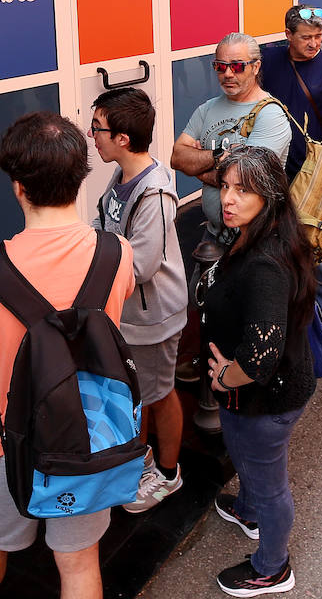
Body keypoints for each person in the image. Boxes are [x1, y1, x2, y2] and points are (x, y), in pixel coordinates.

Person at [0, 112, 135, 599]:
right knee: (78, 564)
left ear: (17, 187)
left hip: (3, 440)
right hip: (88, 438)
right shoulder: (117, 254)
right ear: (80, 177)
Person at [201, 146, 316, 597]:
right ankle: (247, 510)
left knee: (268, 482)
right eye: (225, 186)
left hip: (266, 398)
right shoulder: (256, 233)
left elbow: (261, 355)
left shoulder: (266, 262)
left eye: (242, 191)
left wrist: (224, 377)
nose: (227, 199)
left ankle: (272, 566)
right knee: (248, 460)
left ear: (268, 197)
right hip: (261, 393)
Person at [172, 32, 291, 430]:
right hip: (213, 234)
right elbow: (177, 157)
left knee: (243, 319)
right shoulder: (208, 108)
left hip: (252, 241)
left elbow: (249, 179)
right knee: (203, 307)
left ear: (256, 66)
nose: (227, 74)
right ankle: (209, 375)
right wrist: (223, 161)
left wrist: (208, 169)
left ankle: (235, 394)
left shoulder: (271, 115)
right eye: (220, 66)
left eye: (237, 66)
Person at [89, 88, 187, 514]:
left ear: (123, 139)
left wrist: (95, 261)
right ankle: (140, 459)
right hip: (130, 315)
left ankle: (168, 474)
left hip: (152, 317)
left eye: (98, 129)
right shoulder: (124, 177)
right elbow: (104, 221)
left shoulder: (154, 193)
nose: (93, 136)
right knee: (139, 392)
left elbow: (142, 265)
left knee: (159, 393)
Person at [260, 4, 322, 314]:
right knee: (272, 240)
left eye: (319, 37)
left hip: (310, 173)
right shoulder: (268, 59)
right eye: (306, 37)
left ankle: (321, 312)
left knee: (315, 246)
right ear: (287, 35)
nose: (315, 44)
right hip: (271, 170)